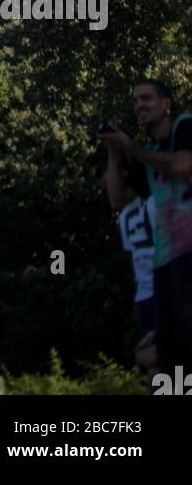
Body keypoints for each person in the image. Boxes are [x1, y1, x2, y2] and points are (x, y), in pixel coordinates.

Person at [100, 80, 192, 375]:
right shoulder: (148, 152)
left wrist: (132, 148)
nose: (140, 104)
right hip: (165, 264)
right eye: (135, 101)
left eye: (147, 98)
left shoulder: (185, 126)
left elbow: (181, 166)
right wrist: (115, 154)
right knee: (170, 359)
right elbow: (118, 199)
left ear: (167, 104)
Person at [97, 139, 157, 369]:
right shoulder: (126, 214)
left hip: (163, 286)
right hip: (145, 292)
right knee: (153, 358)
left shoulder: (152, 199)